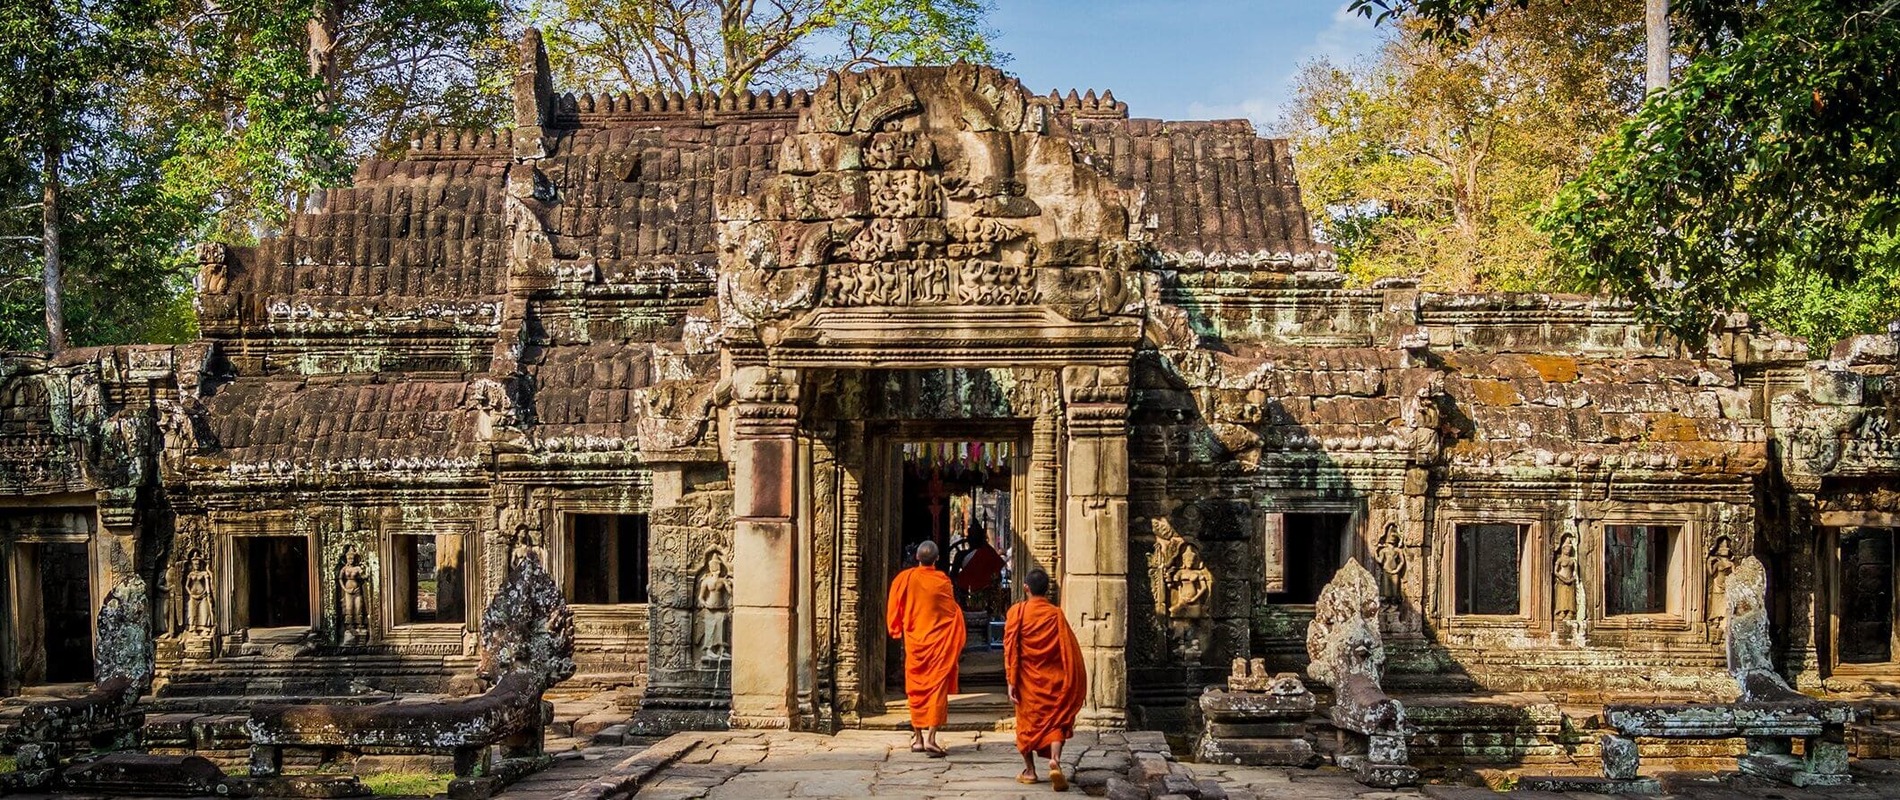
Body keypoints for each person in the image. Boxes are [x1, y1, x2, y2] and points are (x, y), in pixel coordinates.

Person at [1005, 568, 1087, 790]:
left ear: (1025, 588)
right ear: (1047, 590)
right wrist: (1073, 677)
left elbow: (1011, 649)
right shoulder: (1055, 614)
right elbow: (1069, 650)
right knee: (1055, 720)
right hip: (1053, 679)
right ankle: (1055, 761)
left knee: (1026, 725)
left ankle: (1030, 771)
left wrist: (1011, 680)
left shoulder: (1017, 612)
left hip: (1026, 680)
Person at [886, 539, 966, 757]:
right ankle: (931, 737)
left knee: (916, 691)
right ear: (937, 559)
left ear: (917, 558)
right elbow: (952, 613)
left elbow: (894, 608)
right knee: (936, 690)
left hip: (915, 644)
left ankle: (918, 738)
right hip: (938, 645)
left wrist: (896, 629)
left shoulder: (904, 579)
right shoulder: (942, 581)